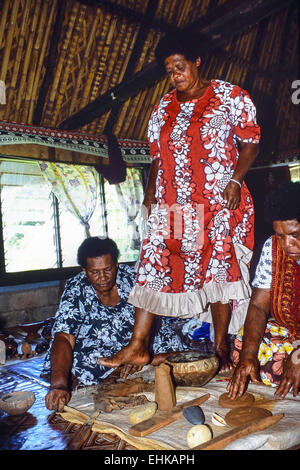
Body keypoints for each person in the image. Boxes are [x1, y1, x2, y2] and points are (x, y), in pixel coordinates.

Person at [98, 31, 260, 373]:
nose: (175, 75)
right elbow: (157, 156)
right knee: (153, 262)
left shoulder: (231, 96)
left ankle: (219, 347)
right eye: (170, 70)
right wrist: (150, 194)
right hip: (174, 203)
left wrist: (235, 180)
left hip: (218, 198)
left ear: (197, 61)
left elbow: (250, 143)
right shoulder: (163, 107)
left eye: (180, 67)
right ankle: (138, 345)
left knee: (218, 269)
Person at [43, 237, 189, 411]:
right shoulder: (75, 287)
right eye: (94, 272)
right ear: (84, 270)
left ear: (116, 264)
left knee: (171, 341)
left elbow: (154, 316)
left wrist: (142, 345)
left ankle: (140, 358)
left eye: (108, 269)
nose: (102, 277)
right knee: (81, 361)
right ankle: (149, 361)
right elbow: (64, 336)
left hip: (142, 336)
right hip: (100, 343)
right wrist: (58, 385)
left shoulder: (134, 278)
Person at [227, 181, 300, 400]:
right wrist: (248, 356)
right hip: (293, 332)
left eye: (295, 235)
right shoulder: (273, 248)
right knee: (243, 345)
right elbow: (259, 305)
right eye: (280, 236)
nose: (288, 244)